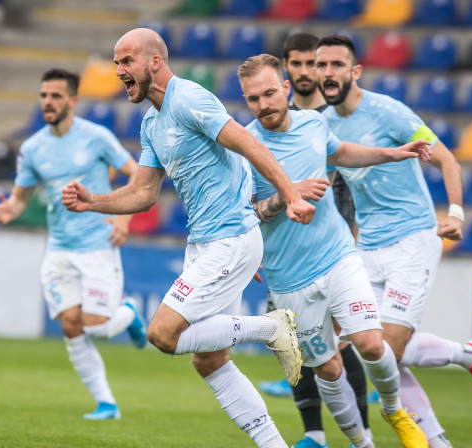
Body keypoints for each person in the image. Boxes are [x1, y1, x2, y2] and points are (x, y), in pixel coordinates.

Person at [63, 28, 315, 448]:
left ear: (154, 63)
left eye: (127, 61)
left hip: (230, 237)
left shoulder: (191, 99)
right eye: (116, 62)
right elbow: (143, 193)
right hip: (207, 243)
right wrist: (93, 203)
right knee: (209, 360)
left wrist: (290, 195)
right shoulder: (150, 123)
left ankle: (269, 328)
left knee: (162, 334)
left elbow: (248, 142)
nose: (119, 70)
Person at [314, 34, 472, 448]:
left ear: (355, 71)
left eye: (335, 65)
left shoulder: (389, 112)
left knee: (387, 349)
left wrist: (455, 214)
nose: (327, 73)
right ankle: (438, 440)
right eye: (321, 65)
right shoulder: (323, 126)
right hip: (367, 248)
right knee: (376, 352)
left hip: (413, 239)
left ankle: (469, 356)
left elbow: (446, 159)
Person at [240, 53, 432, 448]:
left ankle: (395, 410)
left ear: (287, 88)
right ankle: (363, 444)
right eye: (253, 99)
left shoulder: (313, 122)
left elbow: (341, 152)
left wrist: (393, 154)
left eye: (270, 93)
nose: (264, 105)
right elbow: (244, 216)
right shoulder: (242, 146)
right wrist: (285, 197)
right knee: (327, 369)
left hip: (338, 255)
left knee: (370, 344)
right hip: (287, 278)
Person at [0, 68, 147, 420]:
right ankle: (106, 403)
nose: (48, 102)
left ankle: (130, 313)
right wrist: (9, 210)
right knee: (71, 325)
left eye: (56, 96)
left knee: (97, 327)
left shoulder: (96, 137)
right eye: (44, 95)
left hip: (97, 245)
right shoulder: (33, 148)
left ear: (73, 101)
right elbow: (19, 197)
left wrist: (123, 218)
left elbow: (138, 176)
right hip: (59, 249)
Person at [258, 33, 372, 448]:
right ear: (286, 70)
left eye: (314, 63)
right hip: (284, 252)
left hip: (332, 247)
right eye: (299, 63)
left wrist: (355, 238)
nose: (308, 71)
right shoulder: (265, 124)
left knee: (343, 344)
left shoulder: (328, 116)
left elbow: (354, 178)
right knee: (291, 345)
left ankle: (365, 432)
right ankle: (313, 433)